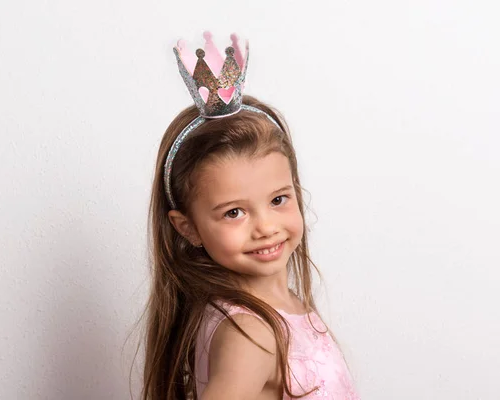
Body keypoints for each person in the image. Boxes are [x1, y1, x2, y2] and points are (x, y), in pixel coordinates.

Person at [140, 32, 361, 400]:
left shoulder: (276, 308)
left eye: (278, 200)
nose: (266, 227)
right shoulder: (252, 333)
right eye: (235, 212)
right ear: (188, 228)